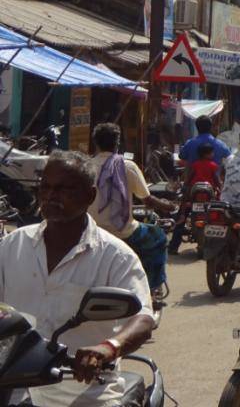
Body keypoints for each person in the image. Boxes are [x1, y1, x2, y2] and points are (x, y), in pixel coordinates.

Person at [0, 151, 156, 407]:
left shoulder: (115, 256)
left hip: (84, 388)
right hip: (12, 385)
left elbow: (143, 318)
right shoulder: (13, 244)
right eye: (46, 187)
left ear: (90, 196)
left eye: (65, 189)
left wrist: (108, 348)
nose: (51, 195)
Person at [88, 123, 174, 294]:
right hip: (124, 232)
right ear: (117, 143)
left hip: (92, 232)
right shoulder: (127, 166)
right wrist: (168, 206)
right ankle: (152, 288)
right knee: (158, 237)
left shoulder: (86, 167)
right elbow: (148, 200)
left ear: (96, 143)